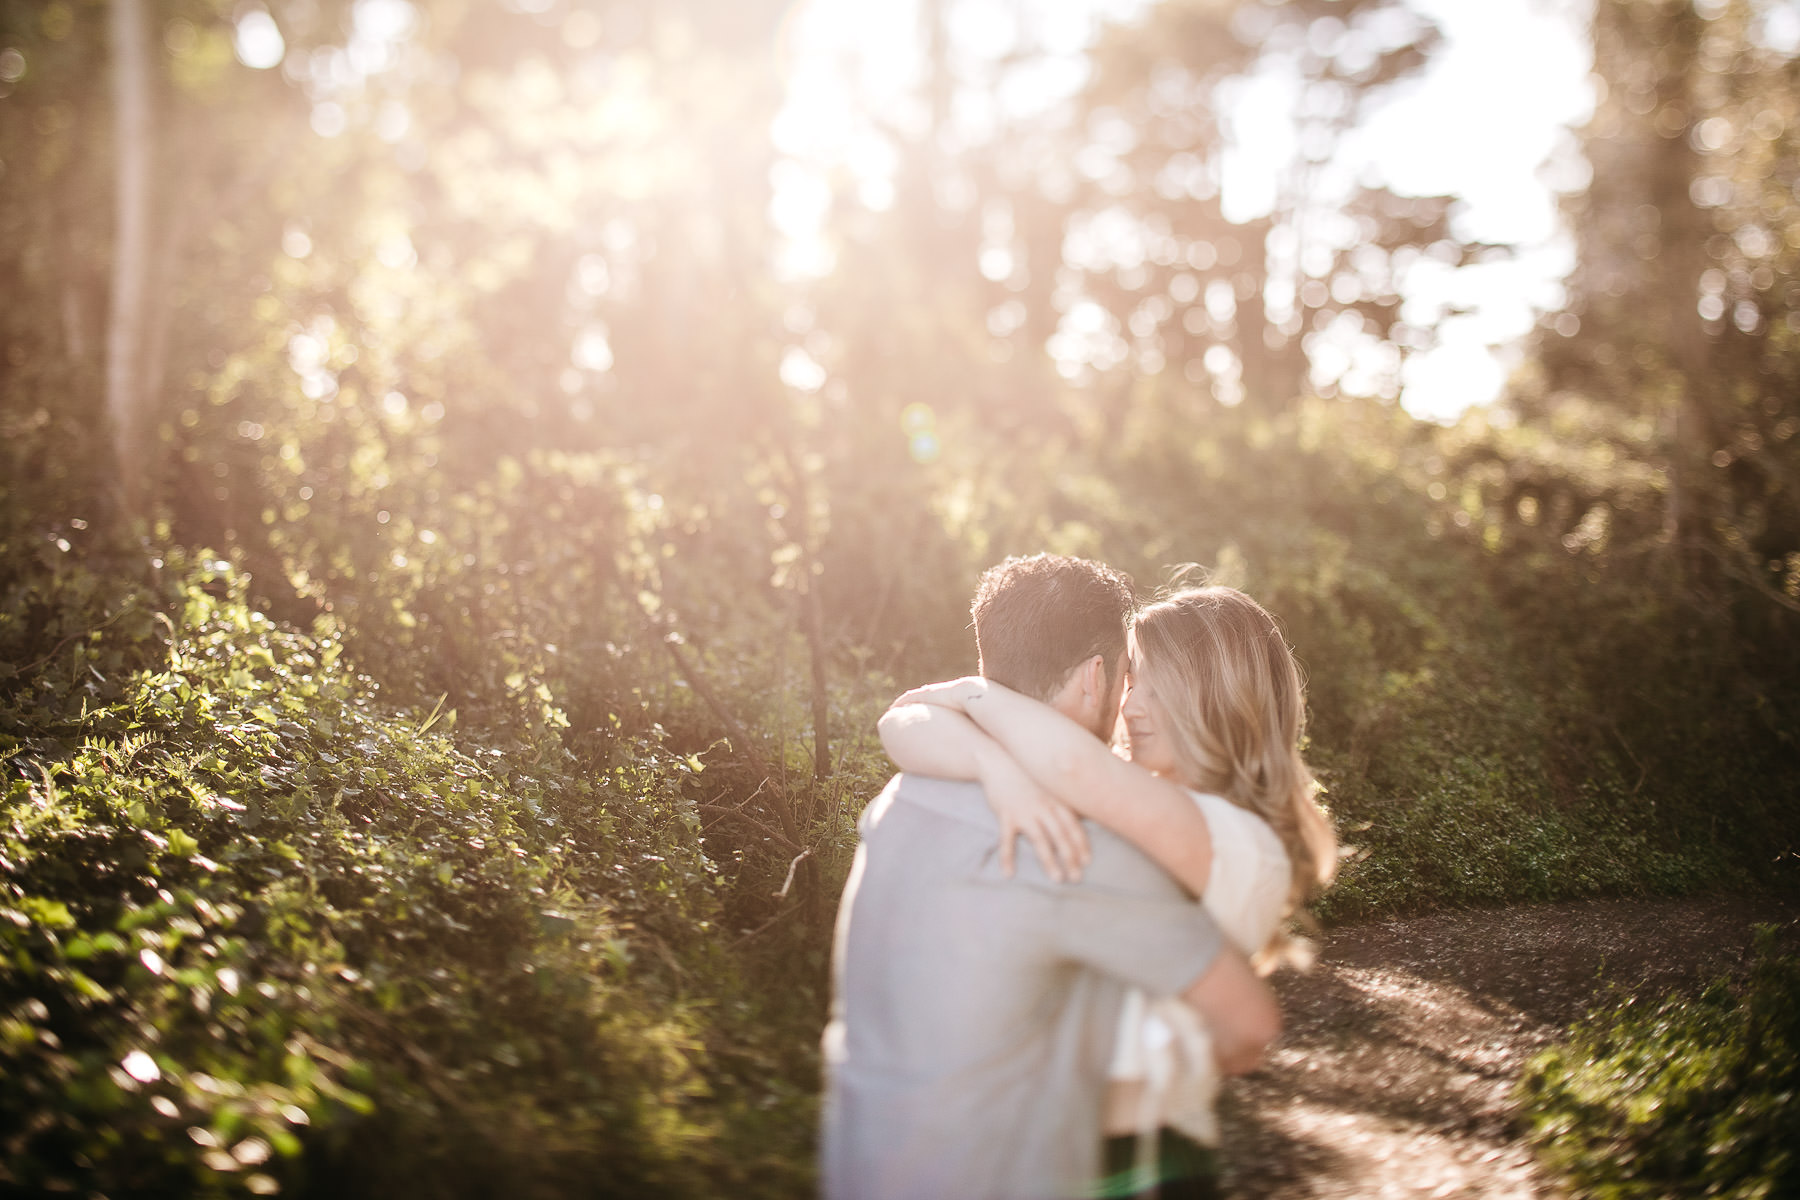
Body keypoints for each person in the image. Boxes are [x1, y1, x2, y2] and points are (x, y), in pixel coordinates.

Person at [820, 555, 1281, 1200]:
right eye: (1127, 677)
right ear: (1097, 678)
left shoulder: (903, 794)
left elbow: (908, 720)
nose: (1129, 702)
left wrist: (976, 734)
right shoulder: (1070, 847)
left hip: (859, 1162)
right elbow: (1248, 1020)